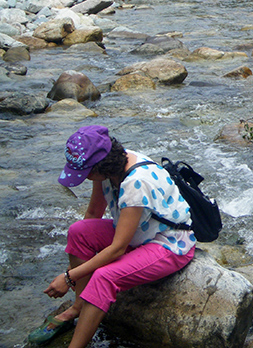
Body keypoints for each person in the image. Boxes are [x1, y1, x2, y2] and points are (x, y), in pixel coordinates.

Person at [28, 126, 195, 347]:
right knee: (78, 232)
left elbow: (117, 248)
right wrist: (79, 262)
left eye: (86, 172)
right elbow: (92, 215)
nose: (85, 178)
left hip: (169, 243)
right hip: (140, 232)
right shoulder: (108, 170)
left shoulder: (136, 182)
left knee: (104, 277)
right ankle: (78, 307)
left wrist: (69, 277)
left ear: (100, 166)